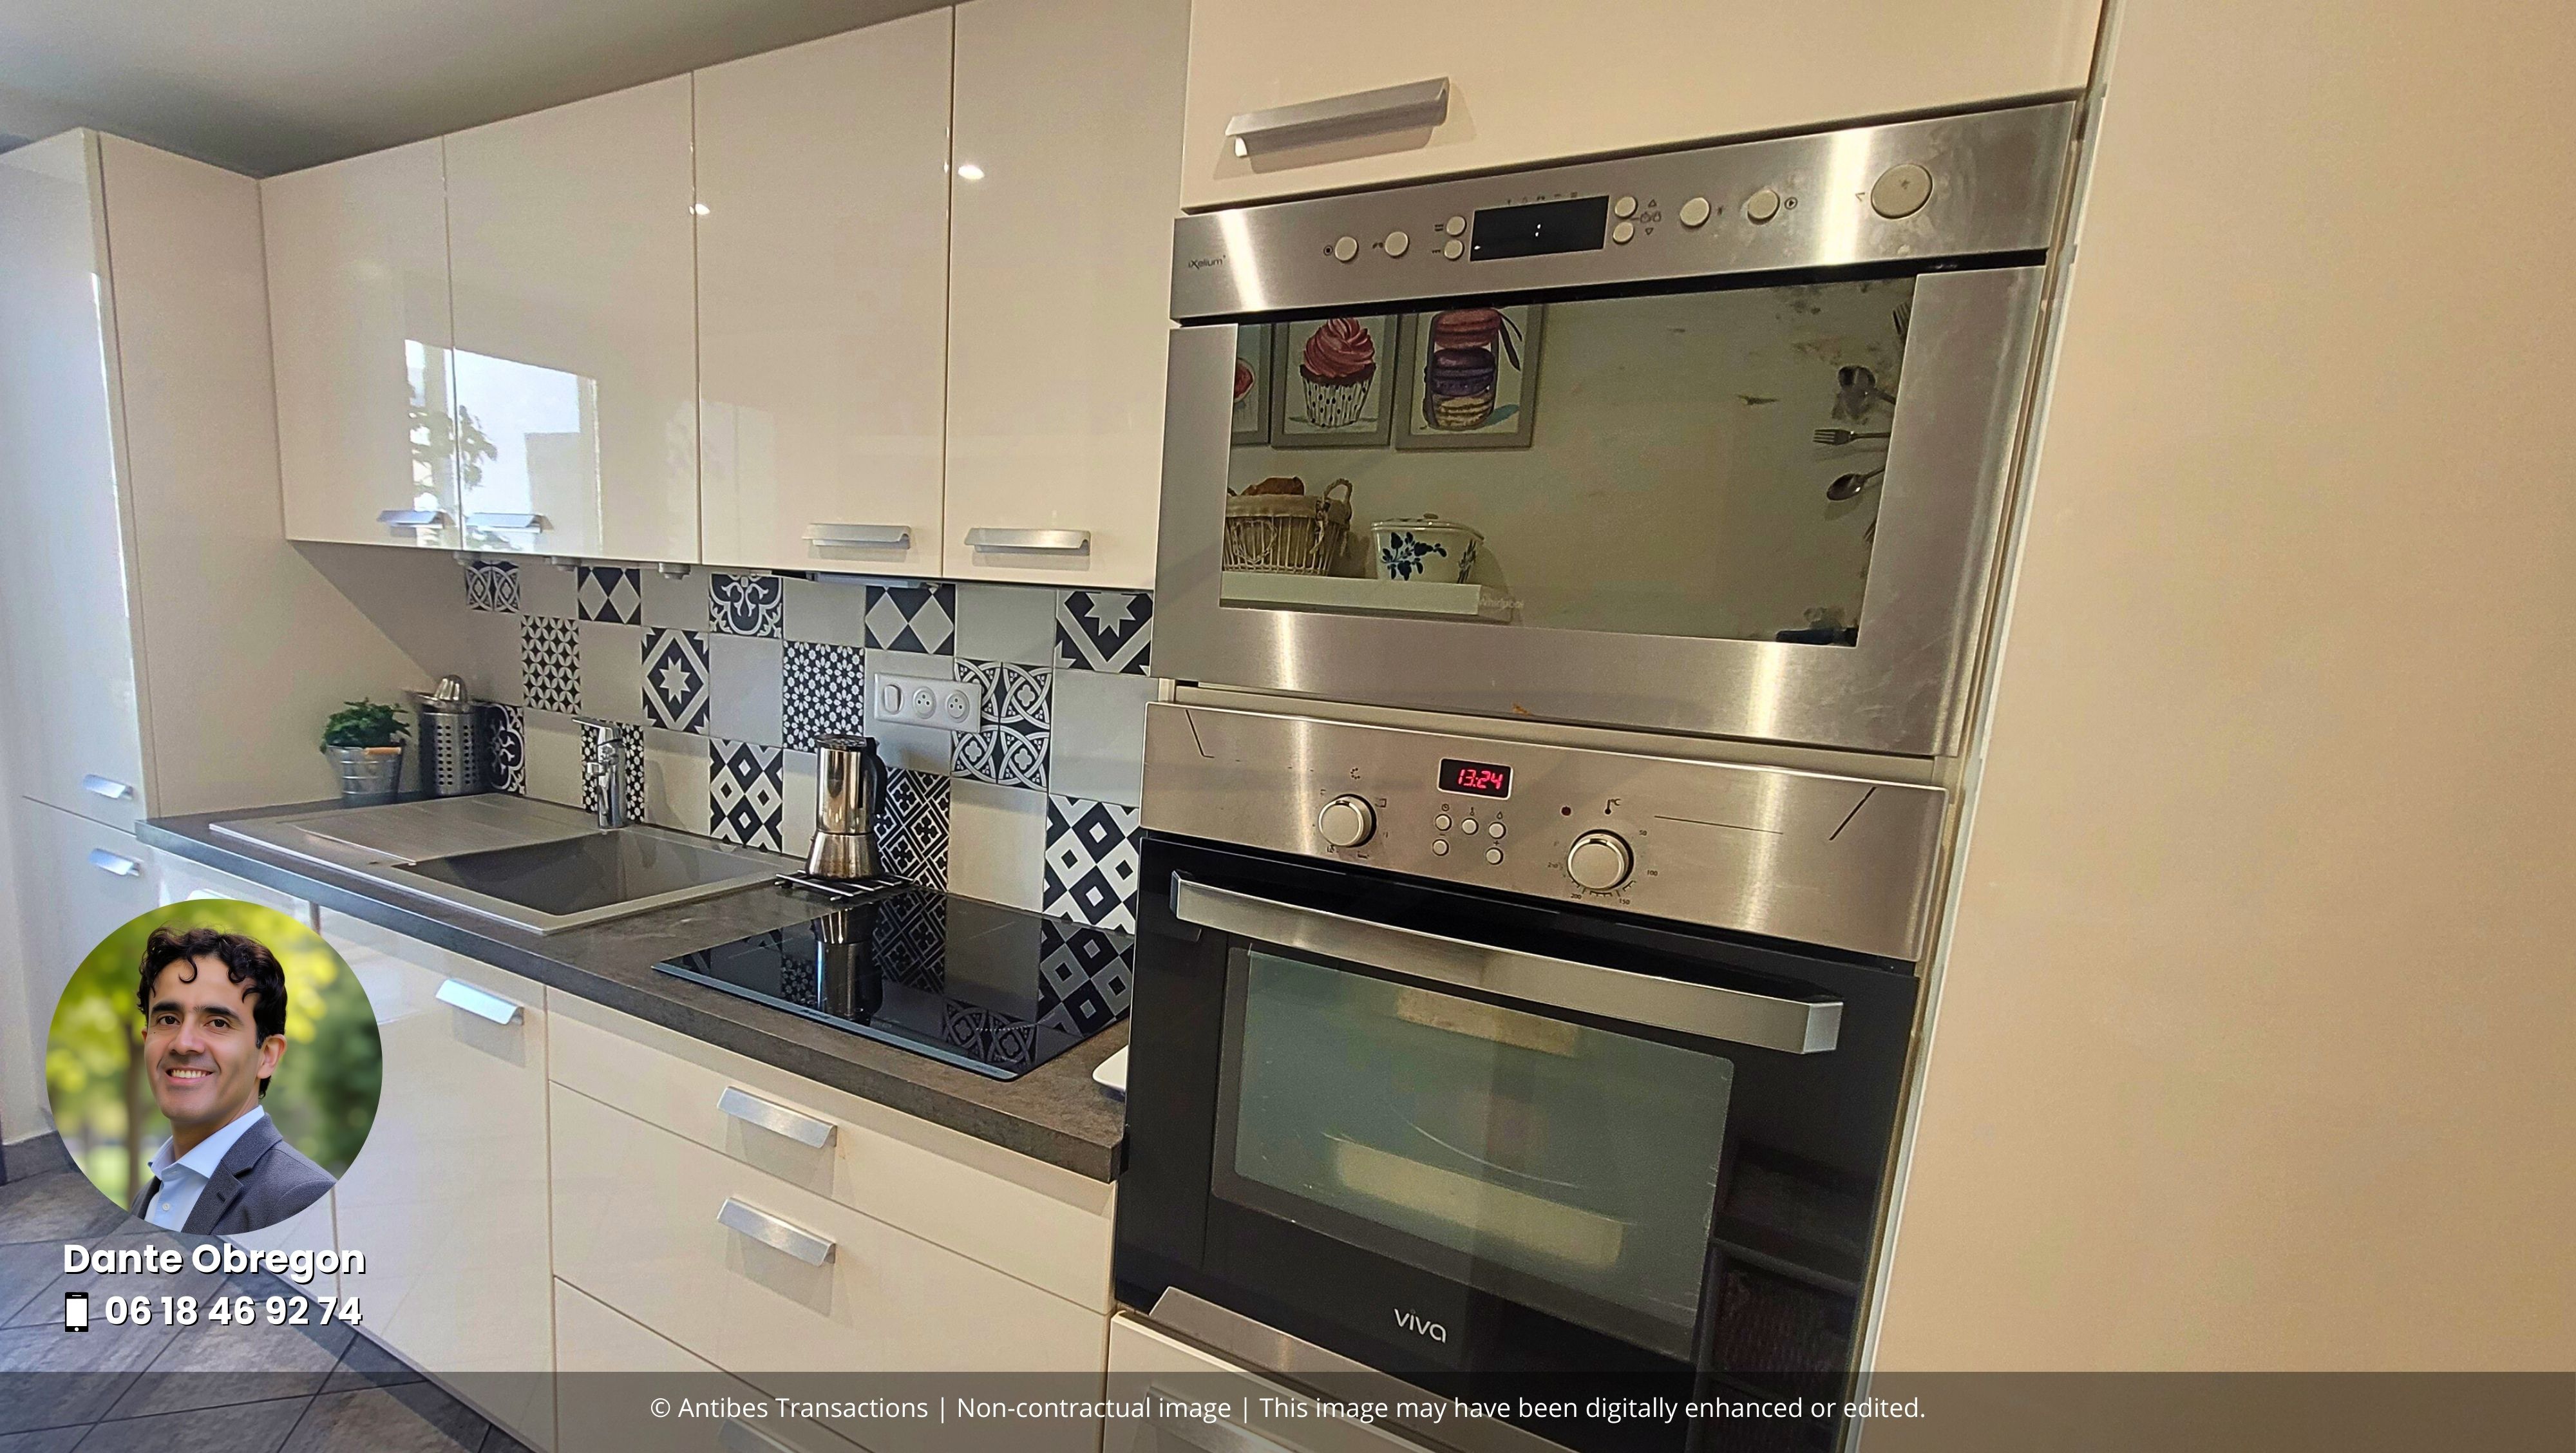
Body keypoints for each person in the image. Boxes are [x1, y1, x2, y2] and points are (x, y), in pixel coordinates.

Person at [133, 926, 334, 1233]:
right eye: (168, 1020)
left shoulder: (301, 1198)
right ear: (147, 1041)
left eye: (217, 1023)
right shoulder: (150, 1195)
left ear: (267, 1055)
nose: (183, 1043)